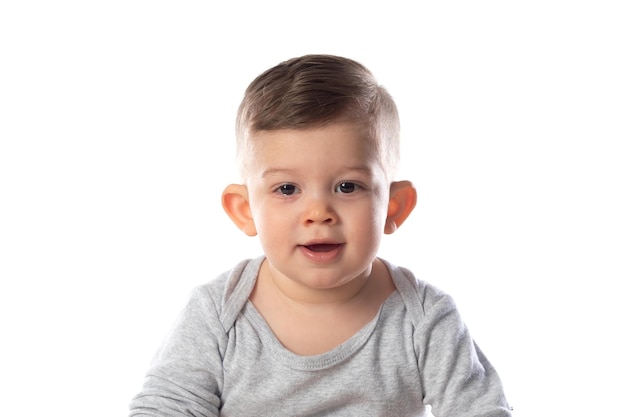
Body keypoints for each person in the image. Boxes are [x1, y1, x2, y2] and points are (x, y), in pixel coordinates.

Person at [129, 54, 512, 416]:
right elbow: (165, 406)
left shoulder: (424, 319)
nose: (318, 214)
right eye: (287, 190)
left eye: (347, 187)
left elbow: (478, 407)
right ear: (245, 211)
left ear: (393, 208)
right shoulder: (218, 314)